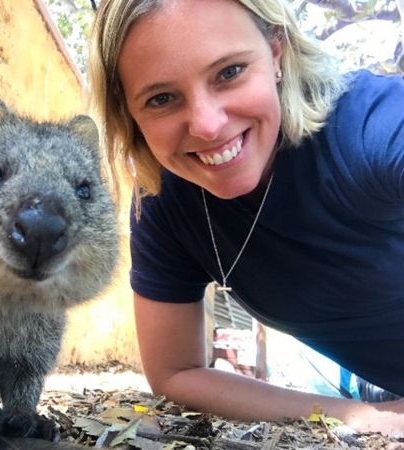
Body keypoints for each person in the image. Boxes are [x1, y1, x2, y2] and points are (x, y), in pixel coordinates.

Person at [87, 0, 404, 436]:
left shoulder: (370, 127)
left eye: (229, 72)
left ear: (277, 52)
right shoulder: (165, 203)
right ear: (130, 115)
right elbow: (175, 373)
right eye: (161, 98)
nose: (207, 125)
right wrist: (357, 417)